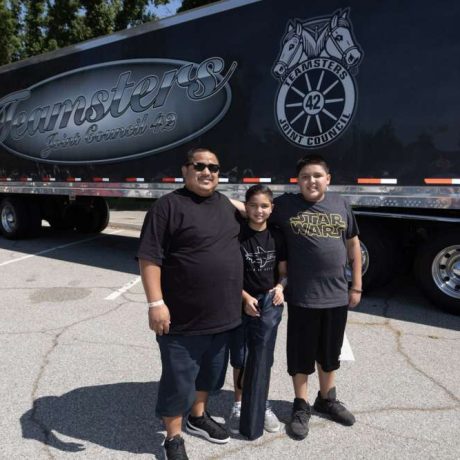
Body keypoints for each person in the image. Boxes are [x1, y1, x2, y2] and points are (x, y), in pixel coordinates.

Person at [137, 148, 243, 460]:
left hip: (223, 317)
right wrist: (155, 302)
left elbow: (255, 213)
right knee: (177, 381)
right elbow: (148, 257)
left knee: (210, 377)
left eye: (214, 167)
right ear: (186, 170)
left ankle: (198, 417)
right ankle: (172, 437)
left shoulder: (225, 204)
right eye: (200, 166)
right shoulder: (167, 207)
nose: (207, 172)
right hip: (181, 321)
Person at [270, 154, 362, 440]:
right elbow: (254, 211)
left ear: (328, 179)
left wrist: (356, 285)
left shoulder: (341, 205)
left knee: (330, 353)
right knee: (301, 355)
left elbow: (353, 245)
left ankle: (327, 398)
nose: (312, 181)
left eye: (317, 176)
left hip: (336, 296)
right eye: (306, 176)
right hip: (302, 297)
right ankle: (301, 404)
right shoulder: (285, 206)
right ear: (297, 181)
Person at [227, 185, 287, 439]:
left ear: (272, 208)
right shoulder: (236, 235)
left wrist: (281, 288)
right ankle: (240, 404)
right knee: (241, 356)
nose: (259, 211)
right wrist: (244, 297)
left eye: (264, 206)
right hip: (241, 300)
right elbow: (229, 273)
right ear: (245, 207)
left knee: (263, 356)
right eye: (253, 205)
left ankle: (261, 403)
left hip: (268, 302)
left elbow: (283, 273)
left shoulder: (277, 236)